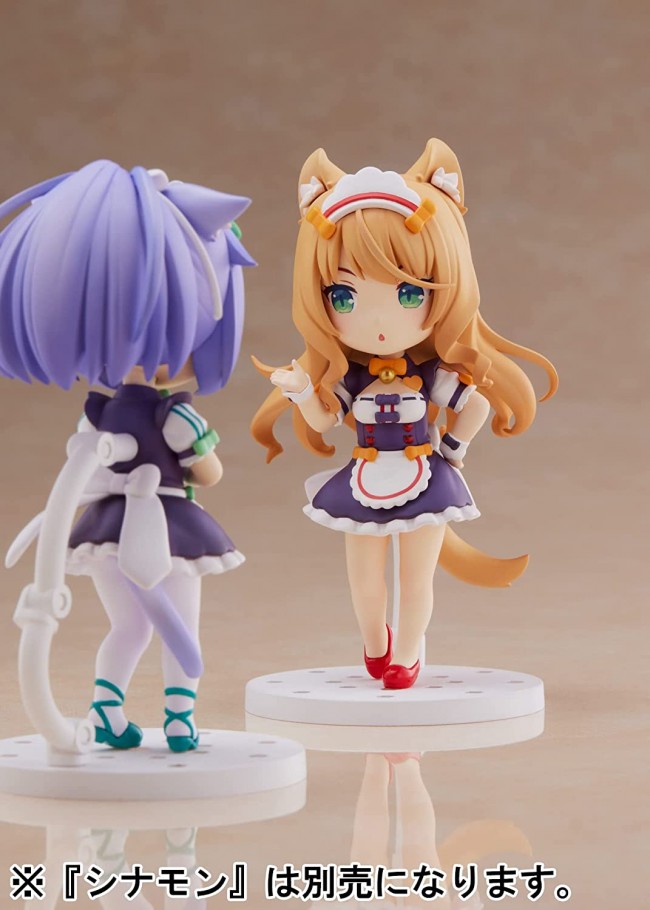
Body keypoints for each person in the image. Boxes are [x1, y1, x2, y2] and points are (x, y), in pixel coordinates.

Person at [252, 139, 557, 689]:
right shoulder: (351, 379)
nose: (378, 319)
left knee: (417, 579)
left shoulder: (431, 375)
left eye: (410, 293)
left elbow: (476, 404)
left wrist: (453, 453)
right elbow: (323, 422)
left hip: (424, 474)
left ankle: (408, 652)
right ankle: (375, 642)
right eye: (343, 298)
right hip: (364, 475)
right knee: (364, 579)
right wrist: (300, 392)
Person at [0, 160, 254, 749]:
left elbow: (86, 458)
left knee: (130, 627)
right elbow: (209, 473)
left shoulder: (98, 412)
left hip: (110, 528)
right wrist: (190, 457)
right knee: (178, 629)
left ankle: (108, 712)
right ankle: (179, 718)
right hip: (165, 527)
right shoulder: (174, 416)